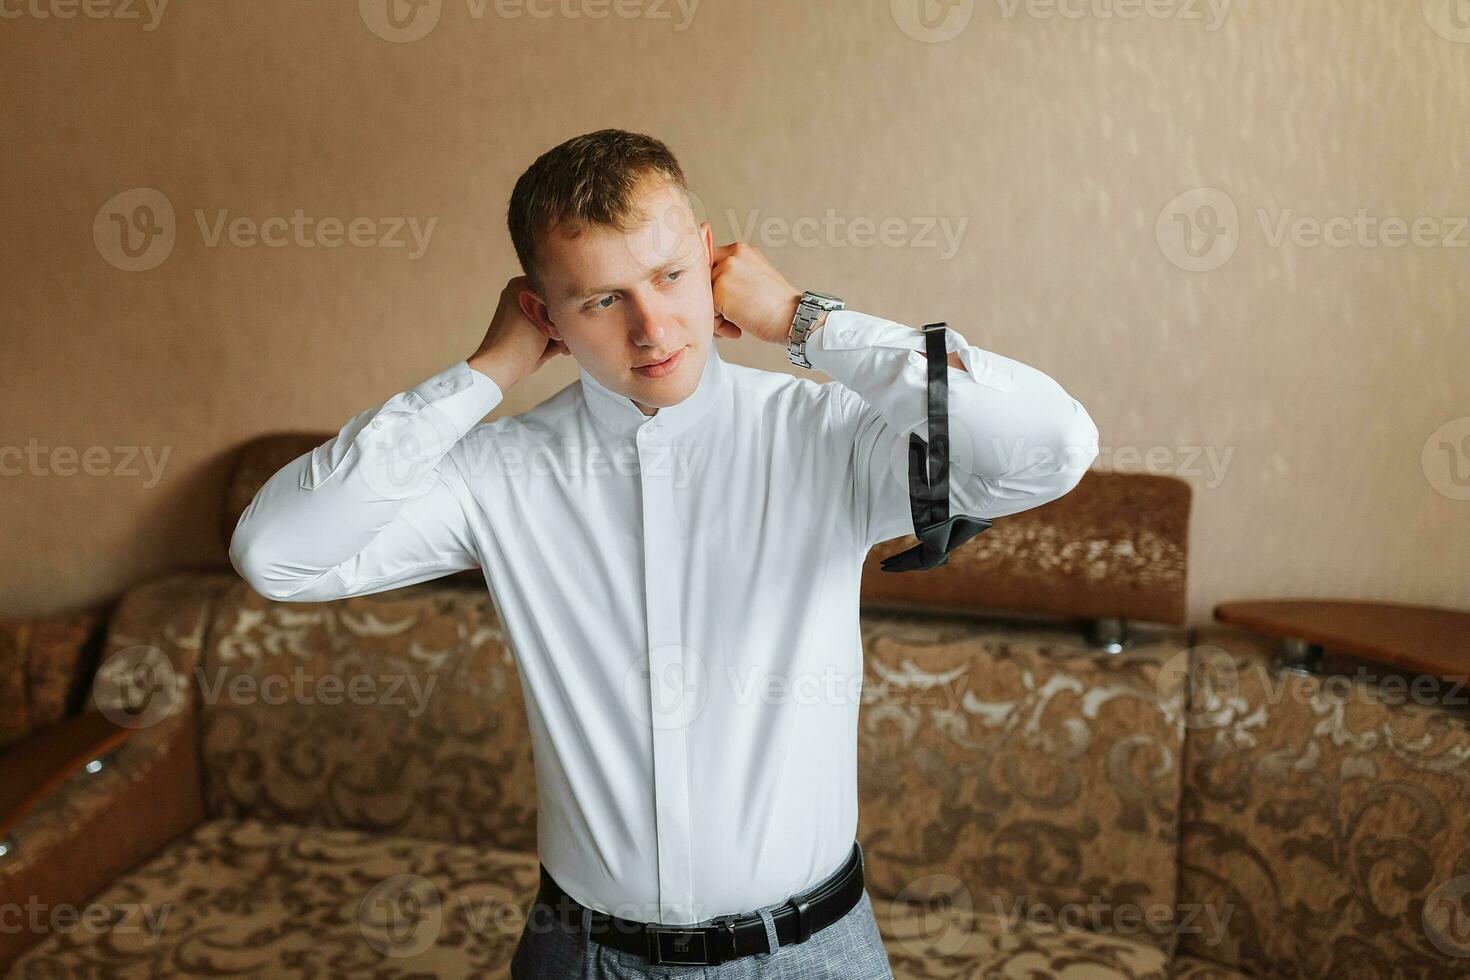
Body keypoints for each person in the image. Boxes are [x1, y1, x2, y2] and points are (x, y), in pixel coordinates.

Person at [229, 128, 1100, 978]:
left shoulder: (827, 438)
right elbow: (277, 555)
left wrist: (807, 321)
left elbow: (1050, 445)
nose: (652, 328)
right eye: (603, 300)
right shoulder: (492, 474)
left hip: (815, 954)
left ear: (712, 256)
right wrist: (488, 371)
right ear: (544, 315)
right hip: (579, 956)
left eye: (670, 276)